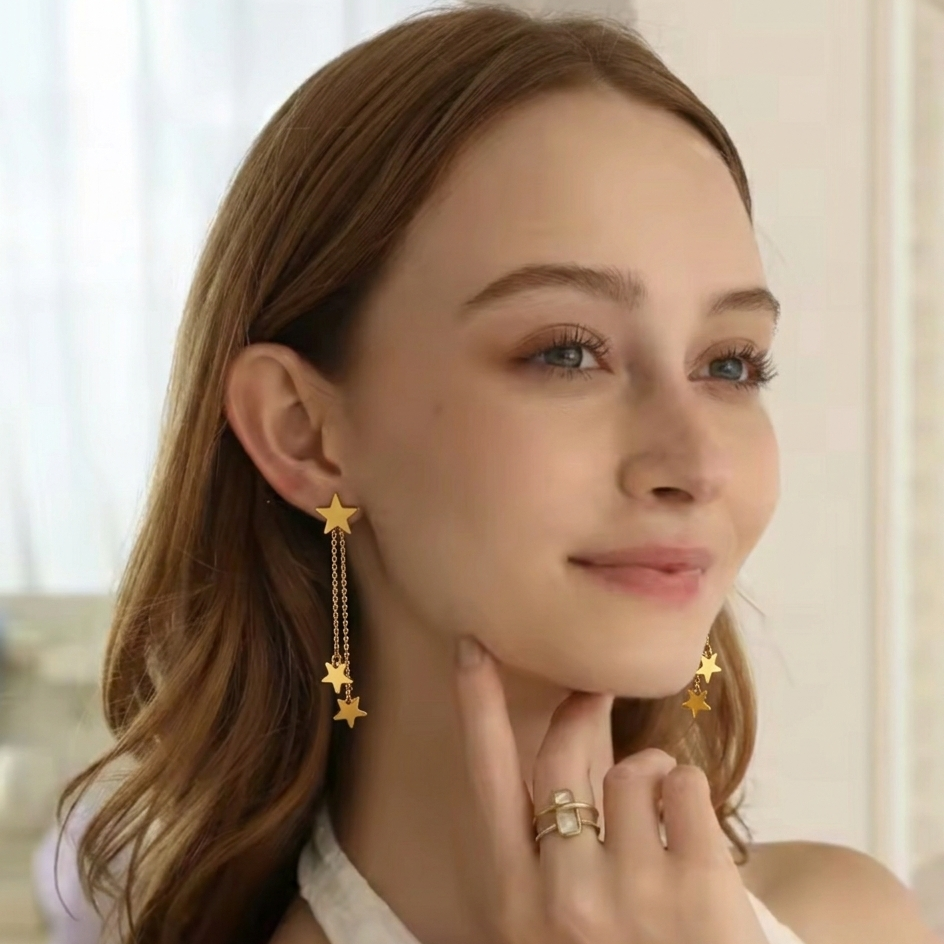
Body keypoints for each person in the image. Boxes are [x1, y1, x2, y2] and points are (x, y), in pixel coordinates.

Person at [55, 3, 940, 943]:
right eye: (567, 353)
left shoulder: (855, 919)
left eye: (730, 364)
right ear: (303, 432)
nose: (697, 464)